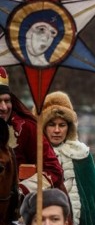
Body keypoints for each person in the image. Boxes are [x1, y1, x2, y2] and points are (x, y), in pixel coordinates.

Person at [40, 91, 95, 225]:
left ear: (68, 128)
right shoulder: (33, 153)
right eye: (52, 124)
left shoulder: (81, 154)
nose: (57, 130)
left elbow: (94, 200)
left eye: (62, 125)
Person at [0, 66, 64, 194]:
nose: (4, 107)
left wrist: (21, 191)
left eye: (7, 101)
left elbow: (53, 170)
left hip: (22, 209)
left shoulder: (26, 128)